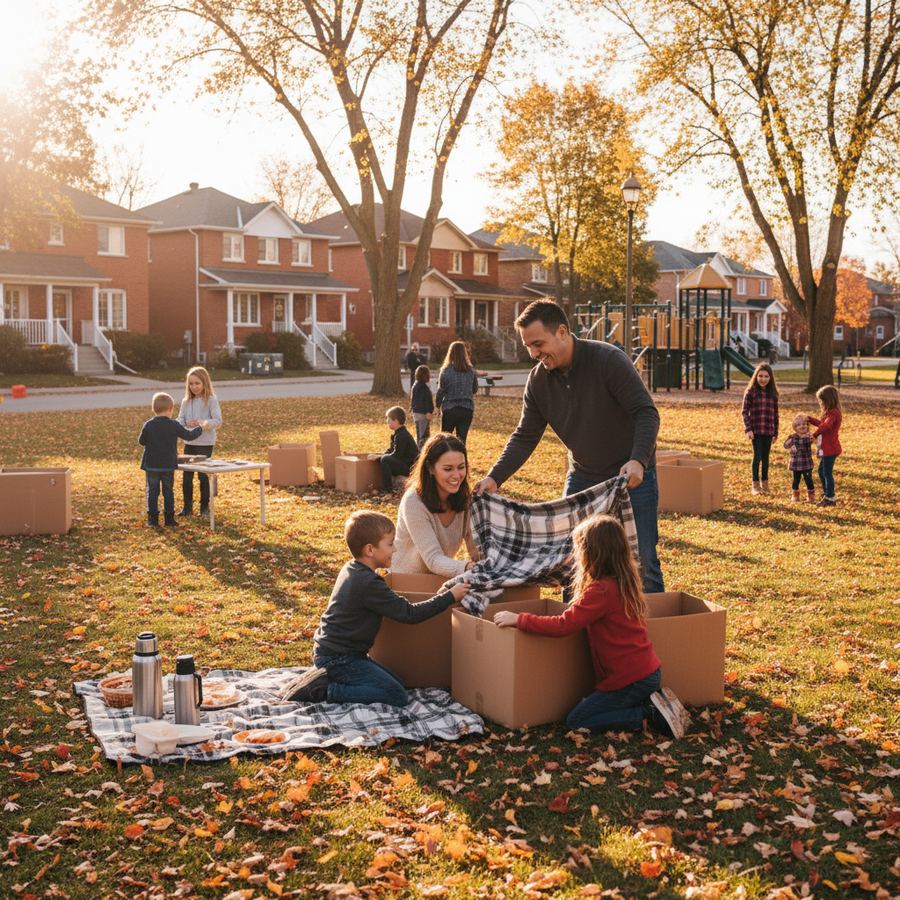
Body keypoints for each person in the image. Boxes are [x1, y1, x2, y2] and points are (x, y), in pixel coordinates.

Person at [473, 300, 663, 594]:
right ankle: (572, 631)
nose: (534, 354)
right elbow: (525, 435)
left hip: (631, 476)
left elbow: (646, 412)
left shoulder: (608, 361)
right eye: (528, 347)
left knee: (642, 561)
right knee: (573, 560)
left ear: (562, 331)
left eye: (538, 343)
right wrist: (494, 478)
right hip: (584, 477)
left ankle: (653, 633)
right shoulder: (538, 381)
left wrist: (638, 459)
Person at [493, 514, 689, 738]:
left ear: (593, 554)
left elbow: (563, 625)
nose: (576, 557)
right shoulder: (624, 582)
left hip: (630, 680)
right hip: (646, 673)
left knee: (578, 719)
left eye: (579, 551)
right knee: (594, 706)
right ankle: (652, 701)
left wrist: (519, 619)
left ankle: (648, 713)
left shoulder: (601, 591)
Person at [282, 511, 469, 705]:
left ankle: (325, 676)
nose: (395, 549)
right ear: (370, 550)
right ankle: (325, 690)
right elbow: (409, 614)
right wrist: (450, 596)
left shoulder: (352, 568)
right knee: (396, 695)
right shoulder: (369, 583)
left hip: (340, 653)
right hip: (339, 659)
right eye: (390, 544)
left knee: (398, 683)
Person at [392, 433, 478, 577]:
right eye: (448, 469)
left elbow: (475, 548)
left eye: (461, 467)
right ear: (430, 468)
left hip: (438, 581)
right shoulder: (413, 502)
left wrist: (491, 565)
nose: (457, 476)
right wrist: (469, 567)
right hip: (404, 581)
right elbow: (433, 559)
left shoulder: (465, 499)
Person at [138, 392, 202, 528]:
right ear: (170, 409)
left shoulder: (148, 425)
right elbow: (189, 436)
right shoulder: (174, 425)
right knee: (168, 491)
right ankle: (169, 519)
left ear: (154, 409)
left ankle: (153, 520)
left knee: (152, 491)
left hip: (152, 465)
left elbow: (141, 441)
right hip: (167, 465)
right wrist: (200, 428)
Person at [176, 366, 222, 516]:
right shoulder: (186, 401)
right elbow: (180, 420)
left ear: (205, 383)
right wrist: (182, 426)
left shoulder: (211, 400)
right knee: (187, 476)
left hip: (205, 443)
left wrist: (202, 422)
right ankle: (187, 507)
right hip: (189, 443)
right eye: (191, 384)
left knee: (203, 475)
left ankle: (204, 507)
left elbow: (217, 421)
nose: (194, 387)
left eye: (197, 383)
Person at [741, 362, 780, 496]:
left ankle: (765, 483)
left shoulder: (773, 394)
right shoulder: (750, 392)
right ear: (756, 376)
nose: (763, 379)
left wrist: (776, 432)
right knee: (757, 457)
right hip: (756, 431)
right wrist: (748, 429)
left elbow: (776, 414)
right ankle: (755, 485)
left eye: (766, 376)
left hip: (768, 431)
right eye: (761, 376)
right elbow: (744, 412)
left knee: (766, 458)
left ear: (770, 378)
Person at [435, 341, 478, 444]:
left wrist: (437, 405)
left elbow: (441, 391)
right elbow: (475, 389)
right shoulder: (471, 371)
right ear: (464, 353)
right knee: (462, 441)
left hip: (450, 408)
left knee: (445, 440)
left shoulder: (445, 371)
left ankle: (445, 459)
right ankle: (462, 459)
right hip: (466, 409)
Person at [808, 385, 843, 507]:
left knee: (827, 473)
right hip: (828, 448)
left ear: (827, 400)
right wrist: (810, 419)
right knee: (821, 471)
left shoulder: (833, 413)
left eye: (821, 400)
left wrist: (815, 434)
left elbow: (826, 426)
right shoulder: (829, 413)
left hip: (831, 449)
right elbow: (822, 424)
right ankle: (827, 492)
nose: (820, 403)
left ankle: (830, 497)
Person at [375, 406, 418, 493]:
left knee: (385, 459)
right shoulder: (397, 434)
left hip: (410, 467)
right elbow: (390, 450)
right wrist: (378, 455)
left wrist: (381, 457)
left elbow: (396, 455)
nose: (387, 422)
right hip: (403, 463)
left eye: (389, 420)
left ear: (396, 421)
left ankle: (387, 489)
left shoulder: (402, 435)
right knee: (384, 457)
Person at [783, 414, 815, 502]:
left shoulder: (809, 436)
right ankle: (795, 495)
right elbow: (785, 445)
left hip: (806, 463)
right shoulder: (793, 437)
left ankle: (811, 496)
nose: (802, 426)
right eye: (799, 425)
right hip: (796, 463)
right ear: (795, 427)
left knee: (808, 479)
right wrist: (791, 443)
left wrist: (812, 437)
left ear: (808, 426)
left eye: (805, 424)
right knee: (795, 480)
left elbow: (814, 440)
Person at [410, 364, 435, 449]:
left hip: (416, 412)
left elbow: (413, 400)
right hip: (423, 414)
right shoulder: (424, 388)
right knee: (423, 436)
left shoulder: (415, 385)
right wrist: (429, 411)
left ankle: (419, 450)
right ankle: (421, 453)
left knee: (419, 434)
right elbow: (428, 401)